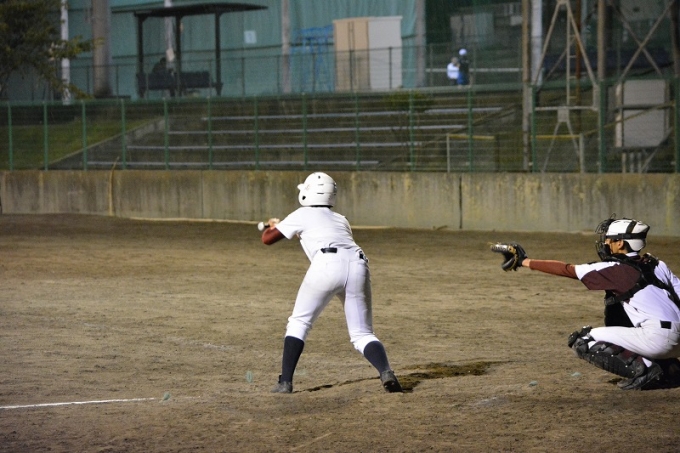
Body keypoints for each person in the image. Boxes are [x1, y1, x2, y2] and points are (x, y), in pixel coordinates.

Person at [261, 172, 403, 394]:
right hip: (358, 264)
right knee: (362, 334)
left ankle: (285, 382)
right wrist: (284, 226)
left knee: (299, 322)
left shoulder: (301, 213)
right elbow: (318, 233)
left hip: (326, 264)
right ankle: (386, 371)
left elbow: (267, 239)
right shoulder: (341, 219)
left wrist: (272, 227)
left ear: (308, 193)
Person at [510, 215, 680, 390]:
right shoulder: (658, 265)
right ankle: (672, 369)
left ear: (620, 243)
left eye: (609, 239)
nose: (606, 242)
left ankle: (647, 369)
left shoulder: (613, 268)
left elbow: (566, 269)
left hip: (658, 340)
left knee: (583, 340)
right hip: (675, 340)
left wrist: (524, 261)